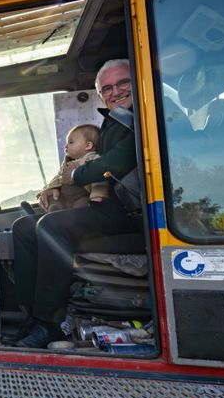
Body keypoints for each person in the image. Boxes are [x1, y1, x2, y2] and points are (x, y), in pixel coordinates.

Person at [8, 59, 141, 348]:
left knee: (52, 227)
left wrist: (76, 175)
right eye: (107, 88)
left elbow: (116, 163)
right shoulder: (113, 122)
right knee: (23, 227)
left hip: (133, 214)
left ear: (139, 80)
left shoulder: (141, 119)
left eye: (123, 83)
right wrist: (54, 188)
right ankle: (30, 316)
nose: (115, 91)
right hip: (108, 209)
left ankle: (50, 324)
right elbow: (82, 167)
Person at [37, 125, 108, 212]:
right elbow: (59, 176)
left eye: (71, 142)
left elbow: (99, 178)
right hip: (64, 196)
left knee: (82, 204)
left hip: (81, 196)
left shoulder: (92, 159)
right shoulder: (68, 160)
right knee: (53, 198)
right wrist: (49, 188)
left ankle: (64, 215)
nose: (66, 146)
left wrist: (97, 196)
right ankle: (55, 210)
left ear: (88, 145)